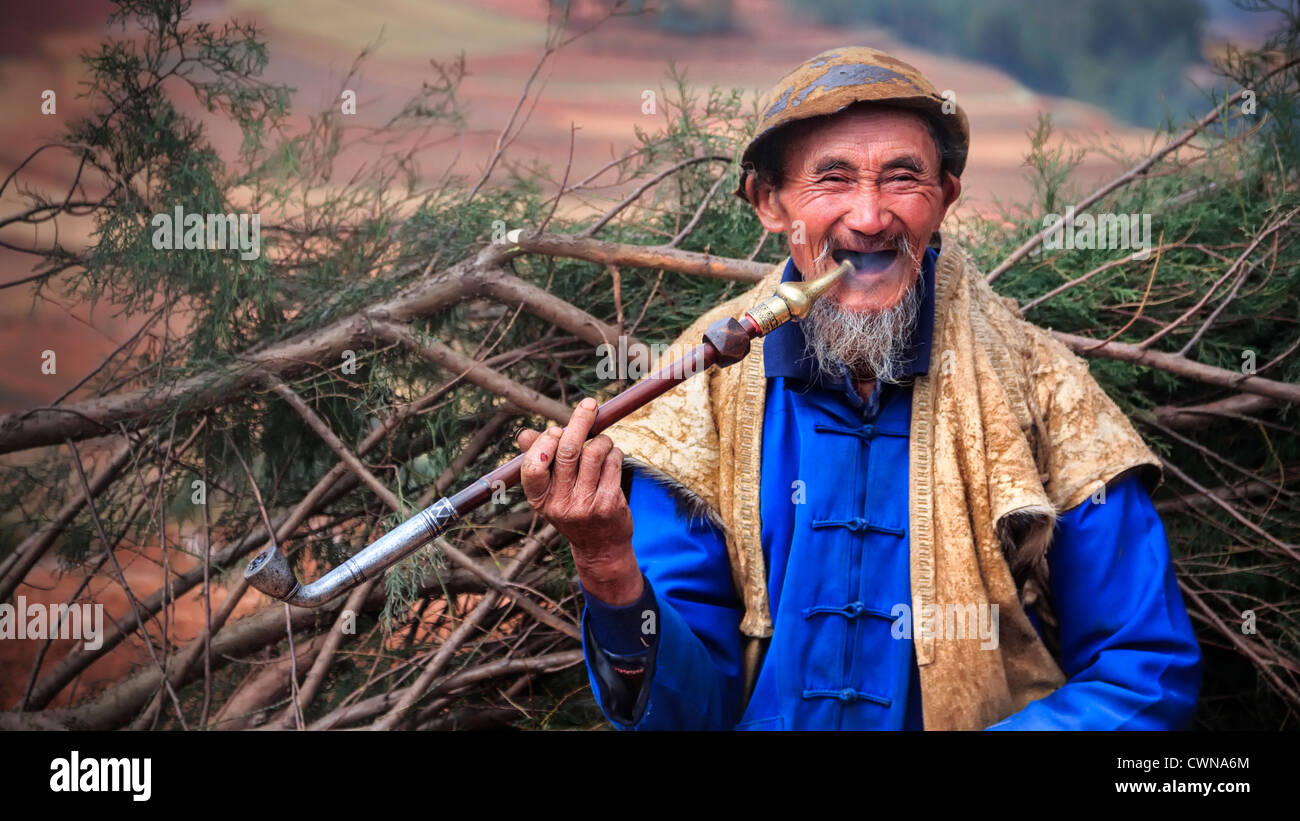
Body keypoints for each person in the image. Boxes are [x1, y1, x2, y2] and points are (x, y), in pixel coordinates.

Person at [513, 47, 1202, 730]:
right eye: (833, 179)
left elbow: (1144, 673)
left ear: (946, 199)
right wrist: (606, 565)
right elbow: (689, 716)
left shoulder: (1047, 394)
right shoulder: (698, 397)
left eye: (903, 178)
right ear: (769, 201)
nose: (870, 217)